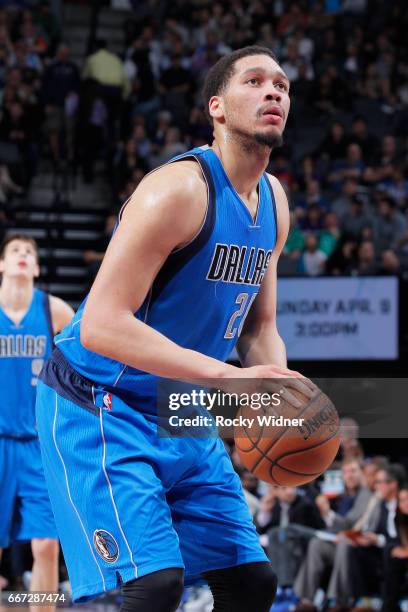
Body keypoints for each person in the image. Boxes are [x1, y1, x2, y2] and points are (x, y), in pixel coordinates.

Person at [35, 46, 316, 612]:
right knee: (151, 588)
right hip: (99, 399)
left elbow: (259, 328)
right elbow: (102, 327)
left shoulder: (275, 202)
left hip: (180, 407)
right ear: (216, 106)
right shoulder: (178, 190)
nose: (274, 93)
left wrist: (278, 396)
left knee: (252, 585)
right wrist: (223, 378)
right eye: (256, 82)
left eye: (282, 86)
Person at [0, 234, 74, 609]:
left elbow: (84, 355)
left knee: (46, 545)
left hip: (38, 444)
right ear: (2, 265)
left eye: (29, 252)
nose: (23, 256)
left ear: (38, 268)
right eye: (15, 251)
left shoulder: (53, 310)